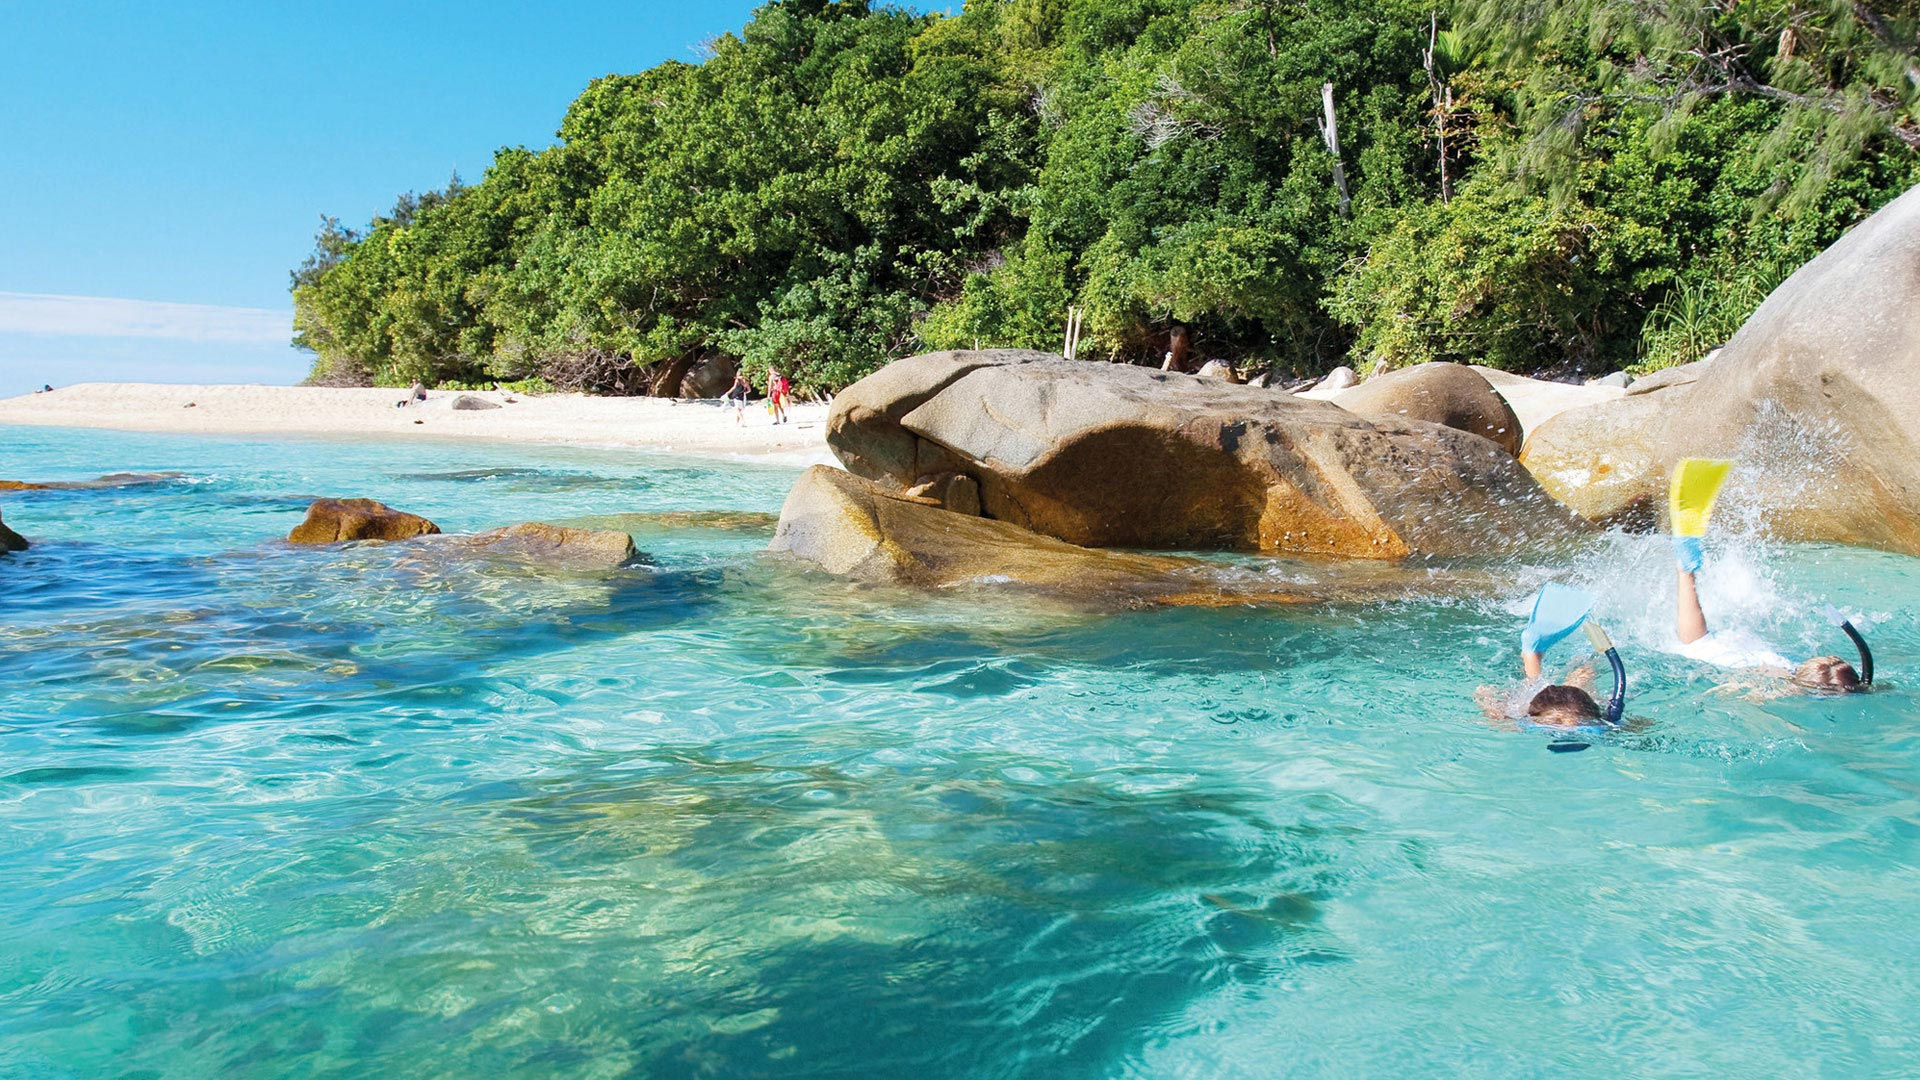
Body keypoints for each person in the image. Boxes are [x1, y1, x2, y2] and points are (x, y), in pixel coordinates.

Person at [1671, 535, 1863, 692]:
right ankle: (1685, 568)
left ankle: (1687, 567)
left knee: (1702, 635)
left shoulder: (1791, 676)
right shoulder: (1782, 690)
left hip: (1745, 651)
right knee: (1694, 643)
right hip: (1716, 656)